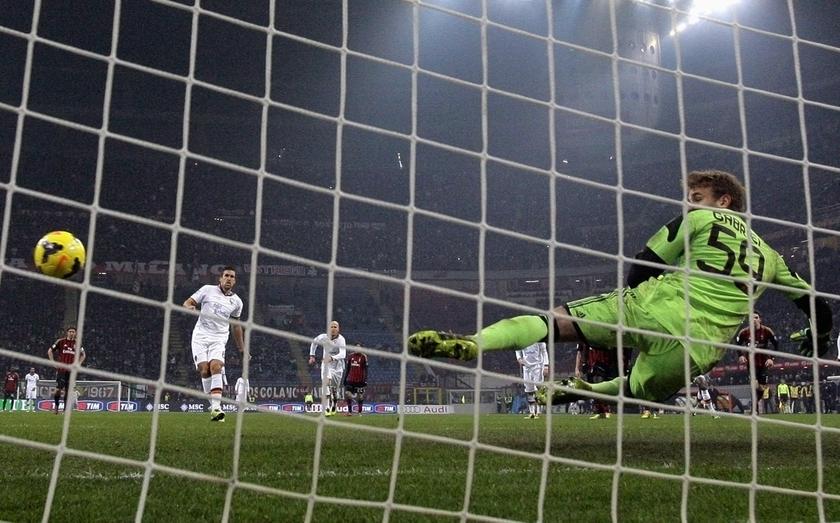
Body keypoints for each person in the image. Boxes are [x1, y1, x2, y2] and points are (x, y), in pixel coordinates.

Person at [408, 170, 833, 406]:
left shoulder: (699, 221)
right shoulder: (771, 258)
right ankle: (587, 391)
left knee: (551, 321)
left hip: (656, 309)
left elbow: (644, 265)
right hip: (699, 349)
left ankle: (471, 344)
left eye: (697, 196)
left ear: (724, 201)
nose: (690, 202)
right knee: (639, 388)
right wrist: (817, 336)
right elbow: (816, 305)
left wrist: (627, 319)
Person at [184, 266, 245, 422]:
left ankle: (217, 408)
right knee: (204, 370)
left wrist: (241, 348)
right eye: (226, 275)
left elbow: (236, 326)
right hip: (200, 336)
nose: (229, 278)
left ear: (235, 281)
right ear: (220, 278)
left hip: (219, 338)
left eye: (232, 276)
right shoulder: (207, 290)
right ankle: (213, 406)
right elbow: (188, 302)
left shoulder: (237, 302)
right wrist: (190, 307)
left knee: (216, 367)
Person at [735, 312, 778, 414]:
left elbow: (776, 345)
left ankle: (755, 404)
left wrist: (772, 358)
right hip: (751, 364)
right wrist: (740, 355)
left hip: (764, 363)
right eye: (751, 318)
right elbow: (737, 344)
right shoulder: (744, 332)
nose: (754, 319)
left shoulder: (767, 331)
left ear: (760, 319)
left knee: (761, 387)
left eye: (756, 317)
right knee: (754, 385)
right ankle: (755, 409)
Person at [575, 342, 631, 419]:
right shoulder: (584, 338)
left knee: (603, 385)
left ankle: (607, 410)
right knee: (593, 387)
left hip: (605, 362)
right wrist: (577, 368)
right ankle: (600, 411)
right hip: (590, 364)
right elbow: (579, 352)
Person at [308, 321, 346, 417]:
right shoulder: (323, 337)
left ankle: (334, 405)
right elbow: (314, 342)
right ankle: (326, 408)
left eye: (335, 327)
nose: (333, 328)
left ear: (338, 329)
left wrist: (332, 358)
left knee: (334, 390)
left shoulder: (341, 340)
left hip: (338, 367)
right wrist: (312, 355)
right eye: (331, 326)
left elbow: (343, 354)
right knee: (326, 383)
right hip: (326, 364)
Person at [47, 327, 86, 414]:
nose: (71, 333)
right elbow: (50, 351)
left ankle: (65, 410)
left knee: (68, 391)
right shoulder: (60, 341)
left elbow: (83, 355)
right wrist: (53, 362)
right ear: (67, 333)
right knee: (58, 390)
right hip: (61, 370)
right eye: (70, 331)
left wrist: (78, 364)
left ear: (75, 333)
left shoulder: (77, 343)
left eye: (73, 332)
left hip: (71, 371)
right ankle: (56, 407)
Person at [515, 342, 548, 419]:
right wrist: (519, 358)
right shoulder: (523, 339)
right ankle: (532, 412)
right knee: (529, 390)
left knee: (538, 389)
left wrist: (546, 365)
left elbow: (544, 351)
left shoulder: (539, 339)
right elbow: (517, 350)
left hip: (538, 366)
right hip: (526, 367)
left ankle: (539, 412)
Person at [343, 348, 368, 415]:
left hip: (360, 381)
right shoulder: (350, 356)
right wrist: (345, 379)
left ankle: (359, 412)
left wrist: (365, 380)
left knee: (360, 396)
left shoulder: (363, 357)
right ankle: (350, 411)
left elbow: (366, 369)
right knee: (348, 394)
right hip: (351, 380)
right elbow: (348, 369)